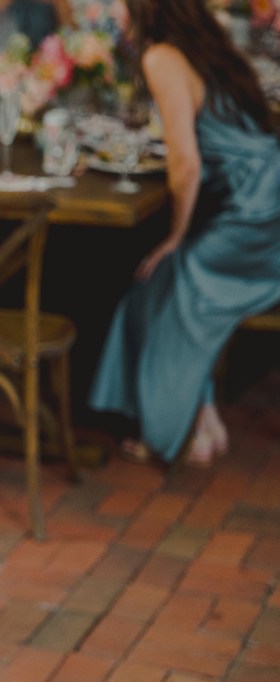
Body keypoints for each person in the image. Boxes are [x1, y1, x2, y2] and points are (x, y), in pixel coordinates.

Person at [90, 0, 280, 467]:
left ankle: (169, 431)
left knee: (176, 280)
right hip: (266, 196)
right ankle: (203, 418)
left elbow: (186, 163)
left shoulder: (162, 56)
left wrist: (175, 238)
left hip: (255, 213)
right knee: (154, 287)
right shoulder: (205, 46)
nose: (116, 13)